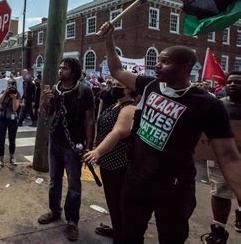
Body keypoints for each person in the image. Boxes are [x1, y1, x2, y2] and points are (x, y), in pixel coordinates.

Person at [100, 22, 241, 244]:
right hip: (137, 178)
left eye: (165, 62)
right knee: (129, 233)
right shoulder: (150, 86)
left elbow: (228, 156)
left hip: (175, 187)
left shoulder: (208, 104)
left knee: (172, 237)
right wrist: (109, 40)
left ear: (186, 67)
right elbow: (117, 70)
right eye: (158, 60)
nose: (157, 66)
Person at [38, 58, 95, 242]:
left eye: (65, 68)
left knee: (74, 185)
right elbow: (48, 114)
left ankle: (72, 221)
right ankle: (54, 211)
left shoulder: (84, 90)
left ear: (74, 71)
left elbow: (90, 119)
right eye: (60, 66)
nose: (60, 69)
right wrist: (45, 103)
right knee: (54, 180)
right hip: (56, 142)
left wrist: (89, 146)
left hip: (74, 145)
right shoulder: (56, 88)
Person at [83, 79, 136, 243]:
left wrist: (97, 152)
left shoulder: (129, 108)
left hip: (119, 165)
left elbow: (118, 132)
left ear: (131, 89)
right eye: (113, 83)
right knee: (113, 202)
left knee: (119, 204)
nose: (114, 86)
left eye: (120, 84)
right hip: (108, 163)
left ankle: (121, 237)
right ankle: (117, 229)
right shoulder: (115, 105)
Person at [202, 71, 241, 244]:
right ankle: (218, 229)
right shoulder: (218, 105)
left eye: (237, 82)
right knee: (219, 192)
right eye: (230, 82)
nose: (232, 85)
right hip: (220, 157)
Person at [0, 77, 21, 169]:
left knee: (12, 139)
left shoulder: (17, 94)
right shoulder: (3, 92)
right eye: (9, 84)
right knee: (1, 139)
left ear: (15, 85)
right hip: (3, 118)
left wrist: (14, 98)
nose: (10, 86)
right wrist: (6, 92)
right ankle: (1, 159)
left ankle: (12, 158)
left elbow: (15, 108)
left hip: (12, 119)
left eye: (12, 84)